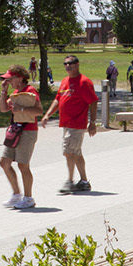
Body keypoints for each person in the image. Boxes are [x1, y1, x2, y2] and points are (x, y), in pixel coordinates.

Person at [41, 55, 98, 193]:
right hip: (66, 124)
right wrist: (48, 114)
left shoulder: (84, 82)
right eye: (65, 64)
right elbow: (58, 99)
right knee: (75, 153)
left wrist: (92, 122)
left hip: (77, 123)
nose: (67, 66)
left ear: (77, 64)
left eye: (70, 63)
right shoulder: (65, 81)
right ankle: (84, 181)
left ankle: (70, 181)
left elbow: (93, 102)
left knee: (68, 152)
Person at [0, 64, 39, 209]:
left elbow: (38, 110)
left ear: (20, 78)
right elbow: (3, 109)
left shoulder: (30, 91)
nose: (8, 81)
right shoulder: (15, 92)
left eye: (11, 79)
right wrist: (4, 92)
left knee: (23, 165)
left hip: (28, 130)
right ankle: (16, 195)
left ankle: (28, 198)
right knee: (4, 162)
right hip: (15, 130)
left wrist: (21, 109)